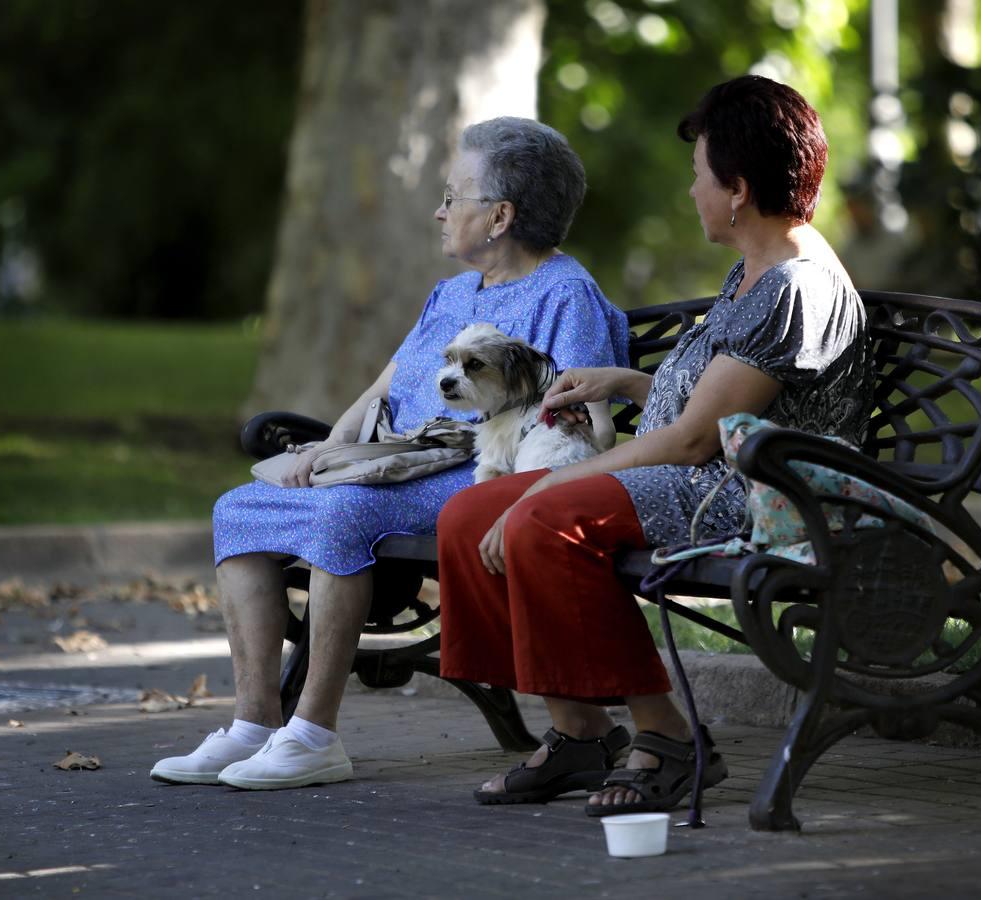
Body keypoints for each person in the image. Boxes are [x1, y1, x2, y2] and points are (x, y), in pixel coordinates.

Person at [436, 76, 875, 816]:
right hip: (709, 470)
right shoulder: (755, 271)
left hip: (759, 495)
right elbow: (717, 405)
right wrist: (628, 385)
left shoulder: (793, 287)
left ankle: (669, 740)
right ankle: (580, 734)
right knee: (468, 517)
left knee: (547, 520)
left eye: (698, 177)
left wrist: (546, 488)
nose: (692, 192)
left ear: (736, 189)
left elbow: (695, 439)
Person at [150, 117, 630, 791]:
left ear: (499, 215)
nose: (438, 210)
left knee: (341, 514)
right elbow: (386, 384)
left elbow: (574, 423)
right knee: (239, 507)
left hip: (474, 473)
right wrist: (326, 449)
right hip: (393, 463)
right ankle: (256, 724)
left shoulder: (565, 294)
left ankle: (314, 733)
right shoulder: (453, 292)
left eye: (451, 195)